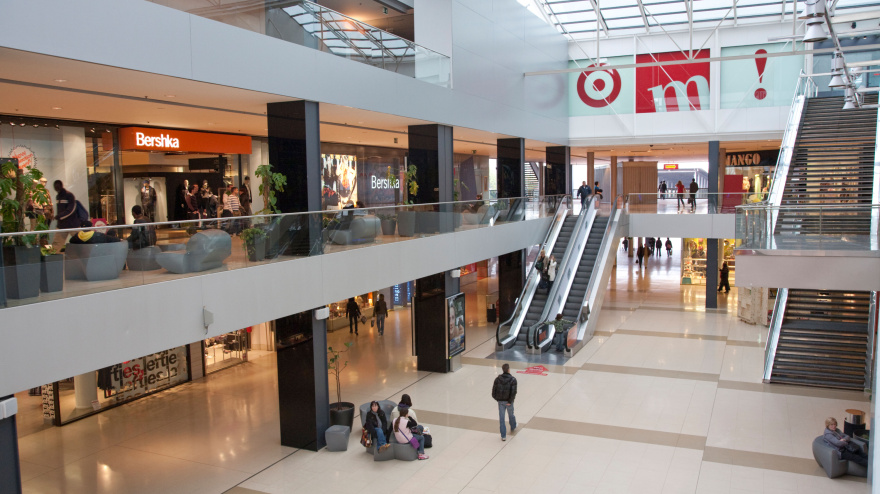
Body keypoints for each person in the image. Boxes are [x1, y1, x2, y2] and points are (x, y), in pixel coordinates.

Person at [492, 363, 517, 441]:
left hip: (501, 402)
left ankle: (503, 436)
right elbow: (513, 392)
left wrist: (498, 399)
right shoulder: (513, 380)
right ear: (508, 370)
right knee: (511, 415)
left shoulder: (497, 379)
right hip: (509, 402)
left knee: (502, 418)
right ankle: (513, 426)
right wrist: (510, 401)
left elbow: (493, 392)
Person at [52, 180, 78, 252]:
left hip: (72, 224)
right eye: (55, 186)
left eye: (57, 186)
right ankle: (54, 257)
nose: (56, 188)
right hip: (61, 225)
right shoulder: (58, 196)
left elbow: (70, 210)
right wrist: (58, 218)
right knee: (56, 244)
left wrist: (59, 217)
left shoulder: (69, 195)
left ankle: (84, 255)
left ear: (61, 186)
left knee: (80, 242)